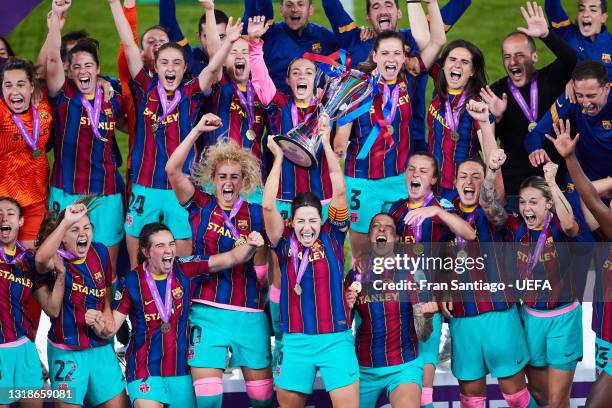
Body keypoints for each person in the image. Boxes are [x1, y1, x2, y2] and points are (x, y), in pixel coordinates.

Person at [108, 0, 241, 266]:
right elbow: (130, 44)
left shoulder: (191, 93)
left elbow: (213, 69)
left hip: (180, 189)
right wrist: (114, 4)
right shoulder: (144, 86)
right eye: (165, 63)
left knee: (182, 261)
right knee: (137, 263)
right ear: (155, 66)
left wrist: (229, 43)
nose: (170, 68)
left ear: (184, 68)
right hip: (144, 186)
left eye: (176, 63)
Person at [84, 222, 265, 408]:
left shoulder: (185, 269)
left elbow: (231, 258)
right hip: (144, 369)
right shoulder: (132, 281)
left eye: (171, 244)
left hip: (181, 372)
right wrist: (98, 324)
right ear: (146, 252)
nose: (169, 250)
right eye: (160, 246)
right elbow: (111, 328)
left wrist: (251, 245)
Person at [166, 113, 273, 408]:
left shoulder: (256, 215)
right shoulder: (200, 205)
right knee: (209, 402)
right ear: (213, 179)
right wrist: (197, 129)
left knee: (263, 401)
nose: (228, 182)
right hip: (206, 312)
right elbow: (173, 169)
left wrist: (259, 249)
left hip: (250, 314)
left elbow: (265, 273)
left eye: (234, 176)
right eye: (222, 176)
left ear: (244, 180)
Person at [334, 1, 446, 261]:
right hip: (362, 182)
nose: (391, 59)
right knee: (362, 255)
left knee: (404, 249)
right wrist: (336, 144)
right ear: (374, 56)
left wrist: (429, 3)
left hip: (399, 180)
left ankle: (402, 299)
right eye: (385, 53)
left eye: (397, 54)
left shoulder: (411, 75)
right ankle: (364, 297)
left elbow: (438, 40)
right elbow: (341, 138)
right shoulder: (356, 88)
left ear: (404, 58)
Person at [263, 115, 358, 407]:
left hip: (335, 339)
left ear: (322, 220)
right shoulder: (283, 243)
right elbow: (268, 204)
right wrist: (278, 158)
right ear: (292, 220)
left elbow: (339, 190)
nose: (307, 227)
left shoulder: (333, 235)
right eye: (301, 220)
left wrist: (327, 145)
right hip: (295, 342)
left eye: (313, 220)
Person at [480, 150, 582, 408]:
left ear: (548, 203)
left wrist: (551, 184)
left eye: (533, 202)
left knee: (558, 400)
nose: (526, 208)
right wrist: (491, 173)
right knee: (540, 396)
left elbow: (571, 224)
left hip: (563, 317)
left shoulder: (559, 227)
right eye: (523, 202)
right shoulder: (516, 228)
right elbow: (490, 209)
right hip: (529, 318)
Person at [438, 159, 537, 408]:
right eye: (463, 176)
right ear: (455, 182)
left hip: (499, 314)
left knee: (515, 396)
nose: (469, 181)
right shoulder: (443, 215)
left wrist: (492, 173)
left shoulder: (492, 212)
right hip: (462, 319)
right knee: (471, 400)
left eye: (476, 176)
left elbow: (497, 213)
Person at [388, 151, 475, 408]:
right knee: (406, 370)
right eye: (411, 168)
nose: (415, 174)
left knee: (425, 380)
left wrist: (435, 211)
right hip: (401, 301)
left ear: (434, 178)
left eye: (423, 170)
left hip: (430, 301)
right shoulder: (395, 209)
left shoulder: (443, 206)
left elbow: (468, 233)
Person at [45, 0, 127, 274]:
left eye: (88, 66)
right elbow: (53, 60)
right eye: (76, 66)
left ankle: (107, 314)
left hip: (106, 191)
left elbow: (129, 124)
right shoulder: (63, 94)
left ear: (97, 67)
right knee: (63, 260)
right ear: (69, 70)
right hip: (66, 188)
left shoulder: (112, 92)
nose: (83, 71)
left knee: (108, 263)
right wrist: (56, 18)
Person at [322, 0, 472, 144]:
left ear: (399, 13)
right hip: (366, 147)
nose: (382, 11)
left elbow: (460, 3)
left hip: (411, 143)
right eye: (375, 6)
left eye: (388, 5)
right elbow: (330, 5)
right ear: (368, 17)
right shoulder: (355, 40)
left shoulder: (415, 39)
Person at [480, 1, 578, 197]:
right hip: (515, 182)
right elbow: (487, 144)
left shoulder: (552, 77)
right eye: (507, 57)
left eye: (519, 55)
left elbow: (572, 59)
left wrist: (546, 35)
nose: (513, 62)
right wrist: (495, 118)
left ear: (534, 57)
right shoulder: (496, 92)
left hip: (555, 177)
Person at [34, 202, 127, 407]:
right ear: (63, 238)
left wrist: (106, 313)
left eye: (86, 228)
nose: (82, 233)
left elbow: (106, 290)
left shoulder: (101, 252)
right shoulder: (55, 259)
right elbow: (40, 259)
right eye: (74, 230)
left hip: (100, 348)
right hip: (67, 351)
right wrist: (66, 220)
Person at [546, 119, 612, 407]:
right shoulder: (605, 236)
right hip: (605, 335)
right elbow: (589, 204)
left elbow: (591, 199)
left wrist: (570, 158)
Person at [345, 212, 438, 408]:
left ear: (395, 238)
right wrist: (346, 306)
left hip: (403, 366)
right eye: (376, 226)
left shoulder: (411, 272)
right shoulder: (355, 274)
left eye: (388, 227)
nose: (381, 229)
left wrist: (427, 318)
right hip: (364, 368)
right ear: (369, 236)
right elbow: (342, 328)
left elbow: (423, 335)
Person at [248, 15, 333, 216]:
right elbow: (260, 78)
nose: (302, 76)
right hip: (283, 197)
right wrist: (254, 44)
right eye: (296, 73)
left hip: (321, 196)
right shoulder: (279, 104)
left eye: (308, 72)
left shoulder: (328, 107)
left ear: (316, 79)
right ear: (287, 80)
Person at [0, 197, 62, 407]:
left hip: (25, 349)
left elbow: (52, 309)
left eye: (10, 213)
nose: (3, 217)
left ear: (21, 222)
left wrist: (61, 275)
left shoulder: (28, 261)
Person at [198, 2, 268, 164]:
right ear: (223, 61)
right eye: (233, 52)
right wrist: (209, 10)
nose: (239, 57)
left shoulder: (261, 90)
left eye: (245, 52)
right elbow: (214, 54)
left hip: (253, 176)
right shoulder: (219, 85)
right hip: (217, 174)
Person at [525, 60, 611, 183]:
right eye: (580, 95)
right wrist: (536, 149)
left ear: (606, 88)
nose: (586, 103)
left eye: (591, 96)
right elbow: (535, 133)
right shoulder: (570, 99)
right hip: (581, 178)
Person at [0, 58, 54, 249]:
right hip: (4, 201)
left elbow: (46, 61)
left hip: (36, 200)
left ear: (32, 87)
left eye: (20, 84)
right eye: (8, 86)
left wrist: (53, 29)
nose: (14, 91)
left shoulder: (44, 106)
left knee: (28, 262)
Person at [426, 39, 489, 200]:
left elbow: (489, 153)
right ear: (444, 65)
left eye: (465, 62)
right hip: (432, 185)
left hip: (462, 190)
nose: (457, 65)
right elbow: (426, 39)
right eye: (452, 60)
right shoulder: (439, 90)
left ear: (473, 70)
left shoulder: (477, 105)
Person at [243, 0, 339, 94]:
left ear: (310, 10)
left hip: (314, 108)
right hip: (275, 106)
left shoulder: (325, 37)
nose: (294, 9)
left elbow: (346, 68)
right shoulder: (268, 35)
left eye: (301, 4)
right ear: (281, 10)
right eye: (289, 5)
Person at [159, 0, 229, 76]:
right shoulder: (190, 58)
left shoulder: (238, 56)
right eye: (208, 36)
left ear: (230, 35)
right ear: (199, 36)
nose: (215, 41)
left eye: (221, 37)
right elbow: (168, 26)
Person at [545, 0, 611, 78]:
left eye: (593, 10)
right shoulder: (567, 34)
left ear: (603, 17)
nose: (585, 14)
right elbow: (554, 7)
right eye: (581, 9)